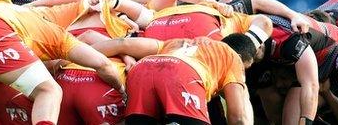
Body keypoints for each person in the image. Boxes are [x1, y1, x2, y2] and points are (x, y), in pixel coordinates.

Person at [0, 0, 125, 124]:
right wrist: (121, 88)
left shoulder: (27, 16)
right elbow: (102, 64)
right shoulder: (58, 36)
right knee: (49, 90)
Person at [90, 34, 265, 124]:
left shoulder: (179, 42)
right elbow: (238, 117)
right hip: (182, 75)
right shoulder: (232, 57)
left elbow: (123, 43)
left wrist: (74, 54)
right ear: (240, 56)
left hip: (143, 69)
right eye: (245, 68)